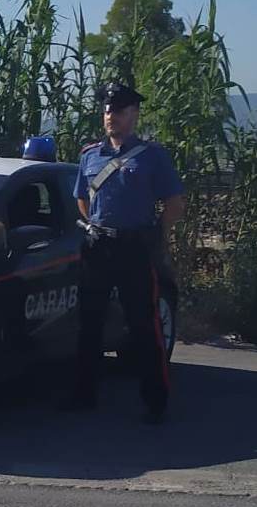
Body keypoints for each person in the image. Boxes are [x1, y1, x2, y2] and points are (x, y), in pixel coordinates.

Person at [67, 81, 186, 424]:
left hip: (135, 248)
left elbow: (175, 204)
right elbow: (81, 198)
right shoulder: (90, 155)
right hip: (98, 246)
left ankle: (154, 401)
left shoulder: (152, 157)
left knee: (142, 325)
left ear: (133, 114)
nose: (110, 117)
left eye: (118, 111)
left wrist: (154, 235)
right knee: (89, 322)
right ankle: (83, 394)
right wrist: (97, 227)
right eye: (107, 111)